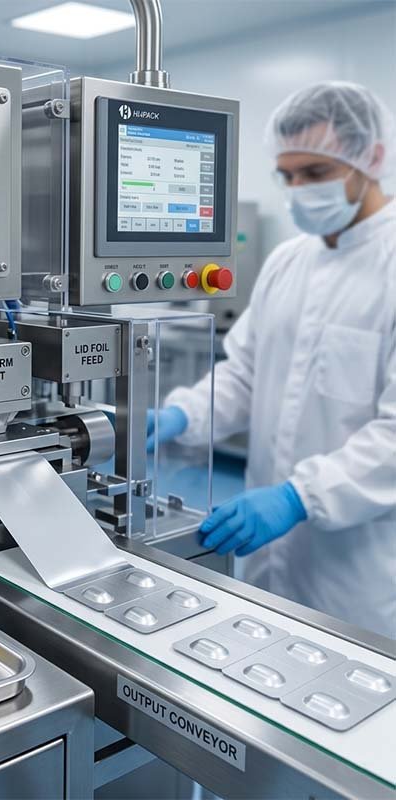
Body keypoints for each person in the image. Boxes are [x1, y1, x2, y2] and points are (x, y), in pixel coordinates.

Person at [149, 81, 396, 638]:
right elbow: (244, 376)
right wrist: (181, 415)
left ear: (372, 158)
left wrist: (299, 496)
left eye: (314, 173)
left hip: (361, 566)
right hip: (264, 559)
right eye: (286, 176)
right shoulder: (288, 262)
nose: (297, 190)